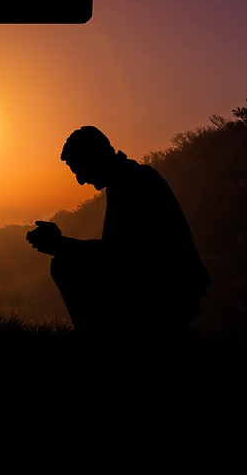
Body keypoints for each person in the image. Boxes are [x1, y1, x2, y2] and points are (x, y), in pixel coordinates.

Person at [26, 126, 210, 354]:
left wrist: (61, 245)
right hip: (161, 285)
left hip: (169, 293)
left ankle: (96, 340)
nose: (80, 180)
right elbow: (118, 253)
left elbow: (122, 255)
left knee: (65, 266)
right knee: (66, 263)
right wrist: (62, 243)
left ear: (95, 156)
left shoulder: (135, 182)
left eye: (79, 169)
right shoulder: (126, 180)